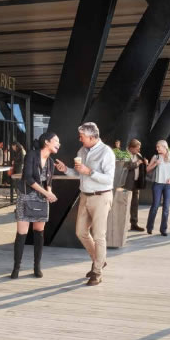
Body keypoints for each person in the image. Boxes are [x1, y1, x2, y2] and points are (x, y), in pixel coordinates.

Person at [55, 122, 115, 286]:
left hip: (101, 197)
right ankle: (99, 260)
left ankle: (97, 271)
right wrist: (66, 170)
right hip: (85, 196)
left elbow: (109, 179)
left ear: (91, 137)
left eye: (81, 136)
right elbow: (78, 173)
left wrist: (89, 171)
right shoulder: (82, 151)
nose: (79, 139)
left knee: (99, 235)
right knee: (80, 232)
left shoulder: (106, 152)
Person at [12, 132, 60, 279]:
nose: (59, 144)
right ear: (47, 142)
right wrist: (47, 193)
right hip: (26, 196)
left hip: (41, 198)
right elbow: (27, 178)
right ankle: (16, 268)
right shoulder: (32, 155)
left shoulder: (51, 162)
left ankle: (37, 267)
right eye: (56, 141)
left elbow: (49, 183)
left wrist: (49, 194)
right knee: (22, 234)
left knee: (39, 233)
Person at [145, 140, 170, 236]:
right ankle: (149, 227)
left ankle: (163, 229)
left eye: (158, 147)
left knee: (166, 208)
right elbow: (147, 169)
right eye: (156, 147)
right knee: (155, 206)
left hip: (168, 185)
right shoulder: (155, 157)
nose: (157, 148)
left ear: (164, 147)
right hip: (157, 185)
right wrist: (155, 163)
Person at [124, 139, 148, 231]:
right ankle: (122, 224)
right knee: (125, 204)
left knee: (135, 204)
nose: (139, 150)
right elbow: (128, 166)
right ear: (131, 148)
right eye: (137, 148)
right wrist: (137, 163)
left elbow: (142, 166)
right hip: (127, 183)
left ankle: (134, 224)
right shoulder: (126, 154)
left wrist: (145, 163)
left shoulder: (138, 155)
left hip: (136, 183)